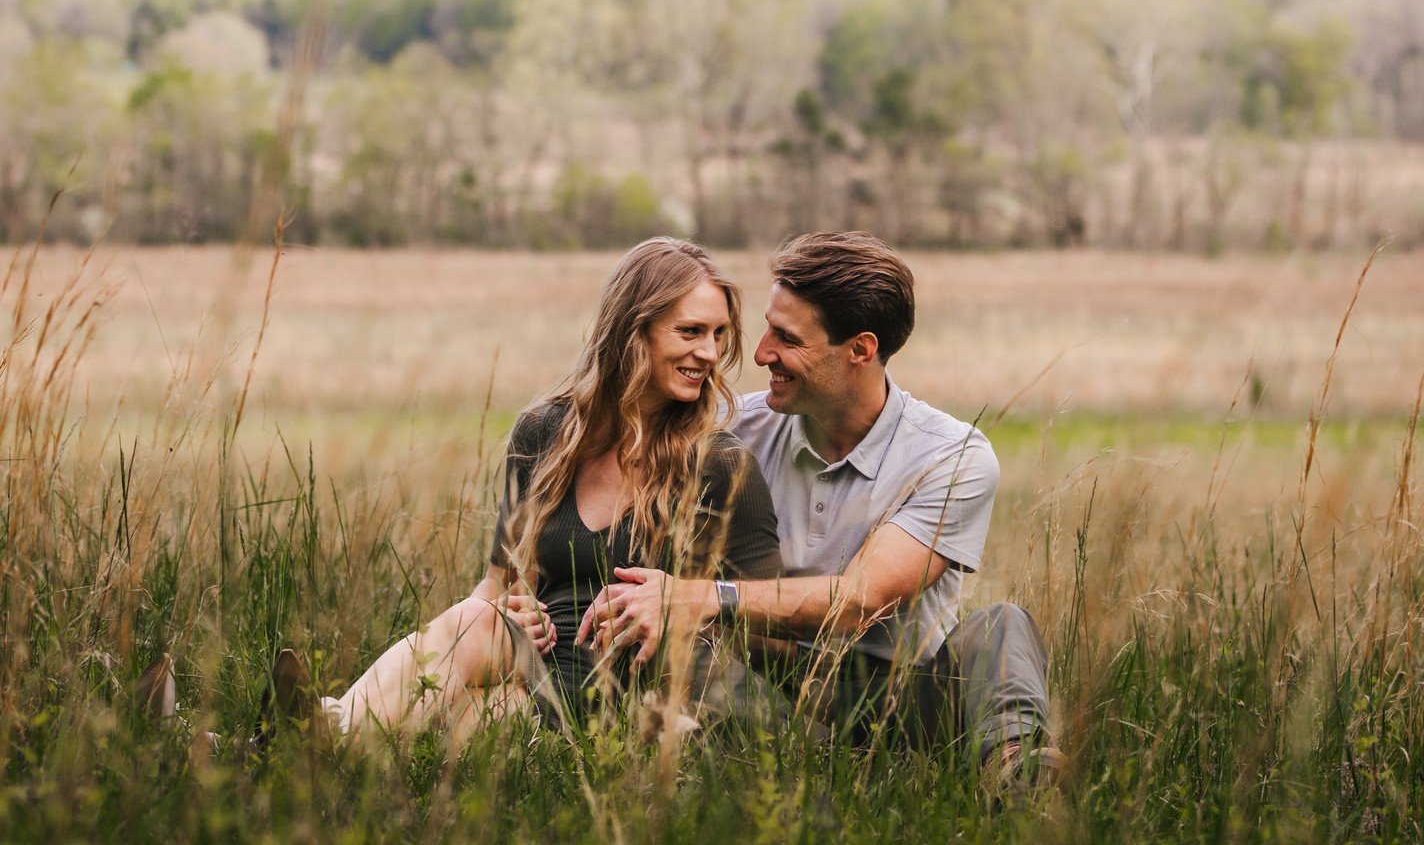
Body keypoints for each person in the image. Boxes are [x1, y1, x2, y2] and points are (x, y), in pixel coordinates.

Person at [579, 232, 1055, 783]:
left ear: (861, 349)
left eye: (787, 338)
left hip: (905, 692)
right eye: (767, 328)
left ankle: (1017, 777)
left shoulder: (952, 457)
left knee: (1003, 627)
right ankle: (818, 766)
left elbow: (860, 603)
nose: (759, 354)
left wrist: (704, 596)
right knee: (677, 643)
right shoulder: (732, 432)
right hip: (765, 678)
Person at [289, 236, 782, 741]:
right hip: (535, 664)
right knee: (477, 625)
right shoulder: (545, 433)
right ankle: (321, 734)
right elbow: (499, 584)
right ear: (634, 331)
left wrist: (687, 611)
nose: (709, 352)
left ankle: (311, 733)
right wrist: (509, 609)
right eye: (691, 331)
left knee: (470, 718)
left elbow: (767, 623)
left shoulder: (721, 465)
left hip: (637, 689)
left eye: (719, 334)